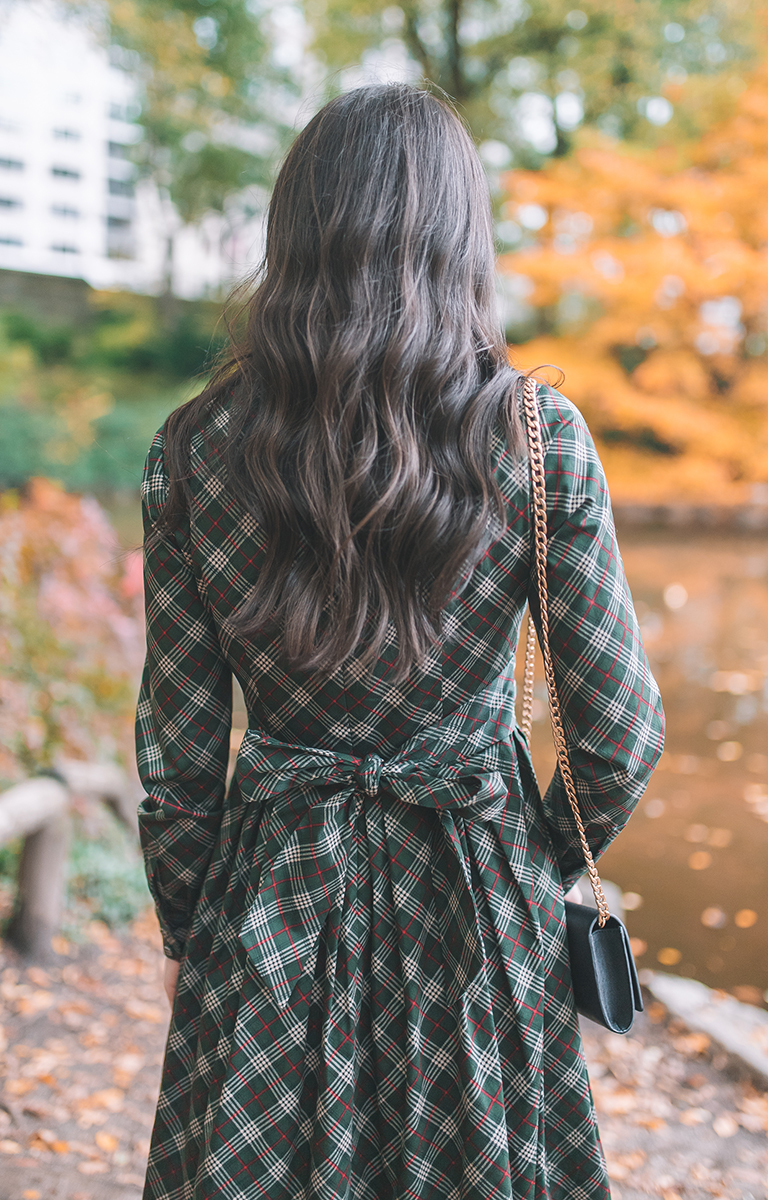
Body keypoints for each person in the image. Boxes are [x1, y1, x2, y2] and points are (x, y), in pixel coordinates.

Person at [135, 84, 664, 1200]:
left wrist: (200, 924)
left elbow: (179, 763)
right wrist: (528, 865)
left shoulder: (191, 452)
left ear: (295, 235)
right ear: (458, 239)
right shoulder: (533, 435)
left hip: (268, 898)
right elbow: (617, 739)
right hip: (475, 899)